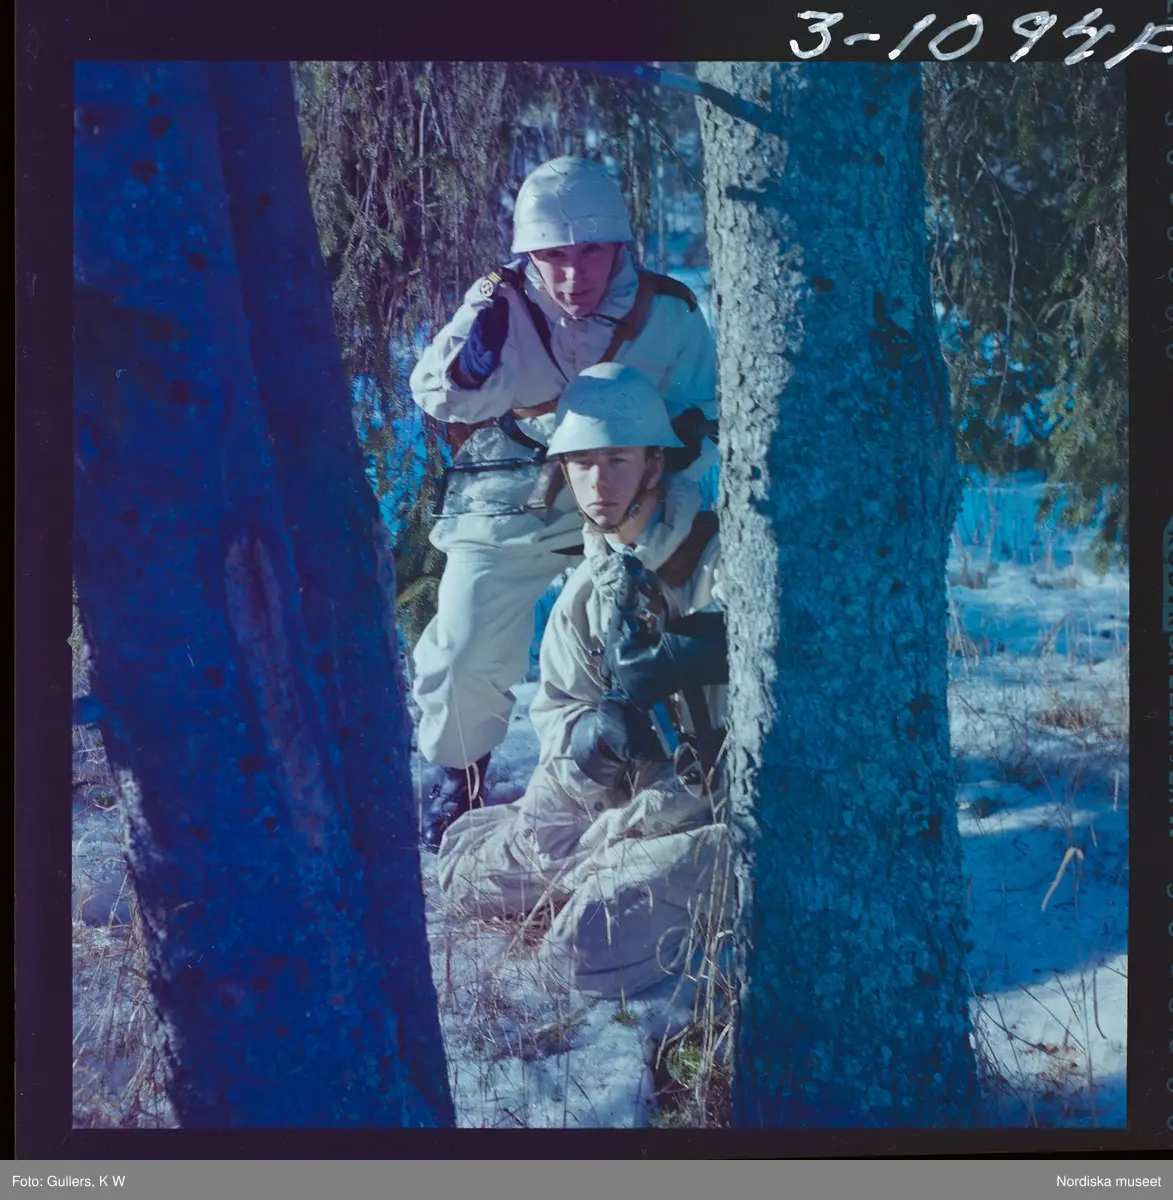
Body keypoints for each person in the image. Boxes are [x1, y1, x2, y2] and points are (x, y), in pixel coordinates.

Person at [409, 156, 717, 851]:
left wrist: (671, 457)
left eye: (591, 253)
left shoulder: (668, 312)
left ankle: (676, 756)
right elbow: (436, 394)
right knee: (464, 641)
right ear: (529, 255)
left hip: (632, 488)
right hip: (514, 488)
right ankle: (459, 771)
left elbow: (705, 407)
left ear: (619, 246)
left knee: (676, 617)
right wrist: (473, 363)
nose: (573, 275)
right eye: (553, 256)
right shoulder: (499, 304)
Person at [435, 363, 731, 1002]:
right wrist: (593, 743)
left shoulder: (719, 565)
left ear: (654, 464)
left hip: (707, 810)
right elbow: (561, 709)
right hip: (615, 798)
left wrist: (687, 663)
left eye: (618, 460)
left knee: (583, 952)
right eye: (583, 462)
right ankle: (597, 867)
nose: (599, 482)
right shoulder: (589, 590)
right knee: (463, 875)